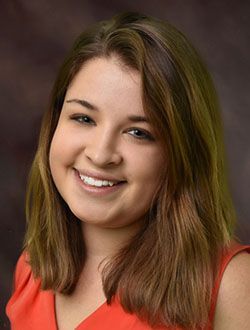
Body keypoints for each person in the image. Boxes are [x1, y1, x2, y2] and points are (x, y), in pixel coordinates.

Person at [5, 11, 250, 330]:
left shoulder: (231, 284)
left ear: (181, 154)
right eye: (84, 118)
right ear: (54, 124)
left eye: (138, 133)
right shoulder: (31, 268)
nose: (101, 153)